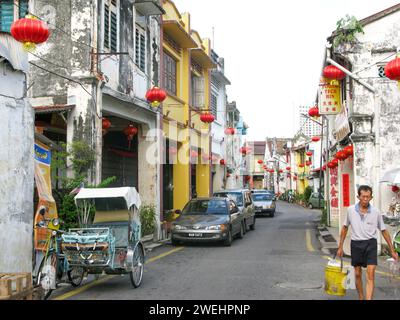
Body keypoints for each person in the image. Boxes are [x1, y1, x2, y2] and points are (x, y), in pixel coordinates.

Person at [337, 185, 399, 300]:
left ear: (371, 198)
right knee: (357, 274)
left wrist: (392, 250)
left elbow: (384, 231)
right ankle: (361, 296)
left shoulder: (376, 212)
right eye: (363, 197)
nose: (365, 199)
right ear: (358, 197)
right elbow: (345, 228)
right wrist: (340, 246)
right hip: (356, 244)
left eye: (368, 197)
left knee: (370, 274)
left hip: (371, 244)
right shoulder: (351, 210)